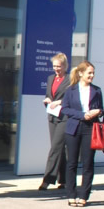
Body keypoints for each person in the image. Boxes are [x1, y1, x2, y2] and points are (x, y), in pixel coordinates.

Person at [60, 61, 104, 207]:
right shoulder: (70, 90)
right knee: (72, 163)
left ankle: (84, 195)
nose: (92, 75)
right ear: (81, 73)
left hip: (90, 129)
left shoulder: (97, 90)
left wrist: (97, 111)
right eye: (89, 73)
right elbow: (65, 109)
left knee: (88, 163)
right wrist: (82, 115)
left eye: (93, 73)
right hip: (73, 128)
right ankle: (71, 194)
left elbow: (101, 109)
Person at [39, 52, 70, 190]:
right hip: (52, 116)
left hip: (64, 117)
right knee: (58, 148)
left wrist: (60, 102)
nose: (56, 69)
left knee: (55, 147)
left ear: (65, 66)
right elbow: (49, 95)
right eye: (54, 66)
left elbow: (71, 98)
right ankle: (63, 180)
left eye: (59, 66)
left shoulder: (70, 79)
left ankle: (47, 179)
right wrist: (47, 100)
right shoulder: (51, 78)